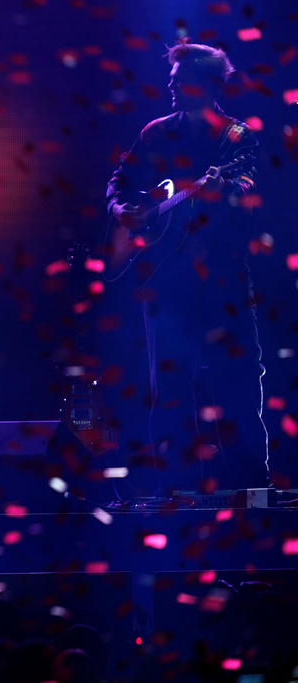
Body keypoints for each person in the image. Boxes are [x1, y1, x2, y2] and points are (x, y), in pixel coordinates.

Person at [105, 39, 267, 496]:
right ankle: (176, 494)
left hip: (224, 283)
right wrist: (120, 209)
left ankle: (251, 493)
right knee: (170, 392)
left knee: (236, 388)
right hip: (167, 283)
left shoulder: (237, 136)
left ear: (208, 85)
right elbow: (121, 181)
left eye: (181, 81)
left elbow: (248, 185)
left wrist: (224, 189)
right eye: (172, 80)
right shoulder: (155, 133)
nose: (171, 87)